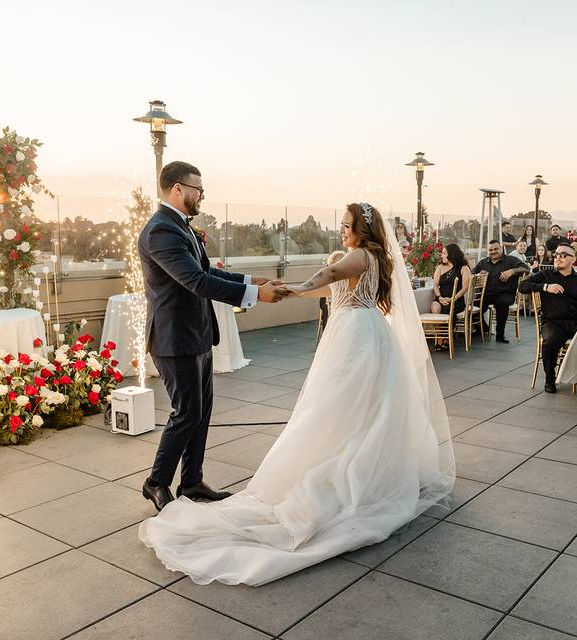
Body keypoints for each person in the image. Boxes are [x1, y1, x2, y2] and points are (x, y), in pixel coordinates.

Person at [140, 202, 454, 586]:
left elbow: (330, 273)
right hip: (355, 332)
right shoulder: (364, 255)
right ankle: (187, 479)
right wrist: (281, 290)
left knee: (343, 407)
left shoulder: (361, 255)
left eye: (347, 225)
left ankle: (349, 476)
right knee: (354, 407)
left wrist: (298, 285)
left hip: (357, 335)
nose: (342, 230)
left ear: (363, 230)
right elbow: (327, 287)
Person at [138, 161, 288, 512]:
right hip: (175, 338)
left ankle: (191, 482)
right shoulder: (161, 231)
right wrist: (253, 297)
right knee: (186, 412)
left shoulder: (181, 227)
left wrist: (253, 282)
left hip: (198, 334)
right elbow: (196, 281)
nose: (201, 195)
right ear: (177, 188)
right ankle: (156, 482)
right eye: (197, 189)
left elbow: (207, 271)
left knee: (201, 411)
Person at [519, 243, 577, 393]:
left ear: (573, 260)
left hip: (575, 323)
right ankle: (550, 379)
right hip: (553, 322)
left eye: (563, 255)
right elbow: (523, 286)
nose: (558, 257)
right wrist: (545, 287)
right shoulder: (546, 275)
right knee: (550, 342)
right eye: (556, 254)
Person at [472, 239, 531, 343]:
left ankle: (500, 335)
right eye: (490, 250)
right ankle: (483, 328)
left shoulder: (511, 260)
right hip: (487, 294)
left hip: (505, 294)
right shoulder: (483, 262)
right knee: (473, 306)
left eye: (496, 249)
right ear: (487, 250)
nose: (493, 251)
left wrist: (512, 271)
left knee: (502, 303)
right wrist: (478, 275)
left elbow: (526, 269)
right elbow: (471, 274)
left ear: (501, 248)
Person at [430, 243, 472, 350]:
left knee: (449, 308)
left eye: (444, 254)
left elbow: (465, 288)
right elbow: (435, 285)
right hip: (441, 298)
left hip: (456, 300)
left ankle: (447, 338)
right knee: (435, 308)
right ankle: (440, 336)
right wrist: (439, 297)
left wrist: (452, 299)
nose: (442, 256)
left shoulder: (464, 268)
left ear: (452, 255)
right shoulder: (440, 267)